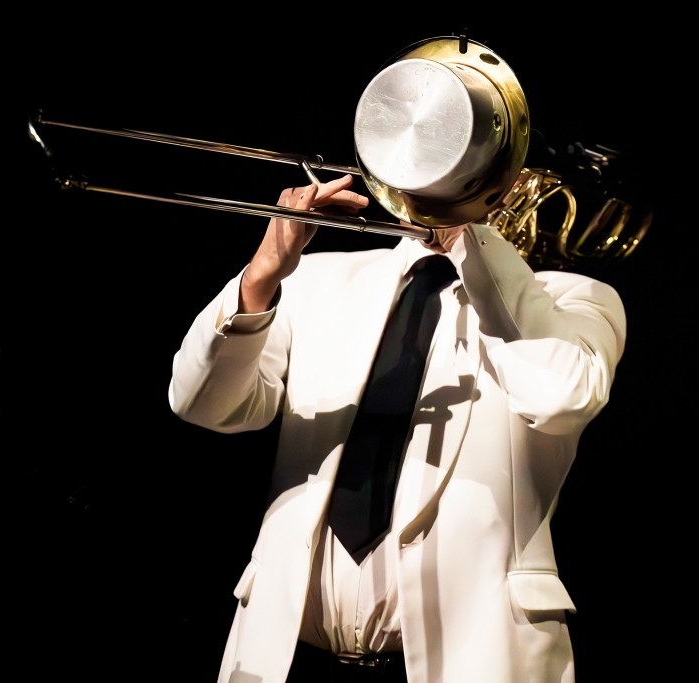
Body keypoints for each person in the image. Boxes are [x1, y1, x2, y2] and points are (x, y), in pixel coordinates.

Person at [167, 163, 628, 682]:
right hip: (285, 660)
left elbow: (563, 397)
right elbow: (202, 403)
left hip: (472, 663)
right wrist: (260, 278)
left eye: (461, 167)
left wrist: (471, 240)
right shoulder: (316, 279)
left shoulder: (569, 299)